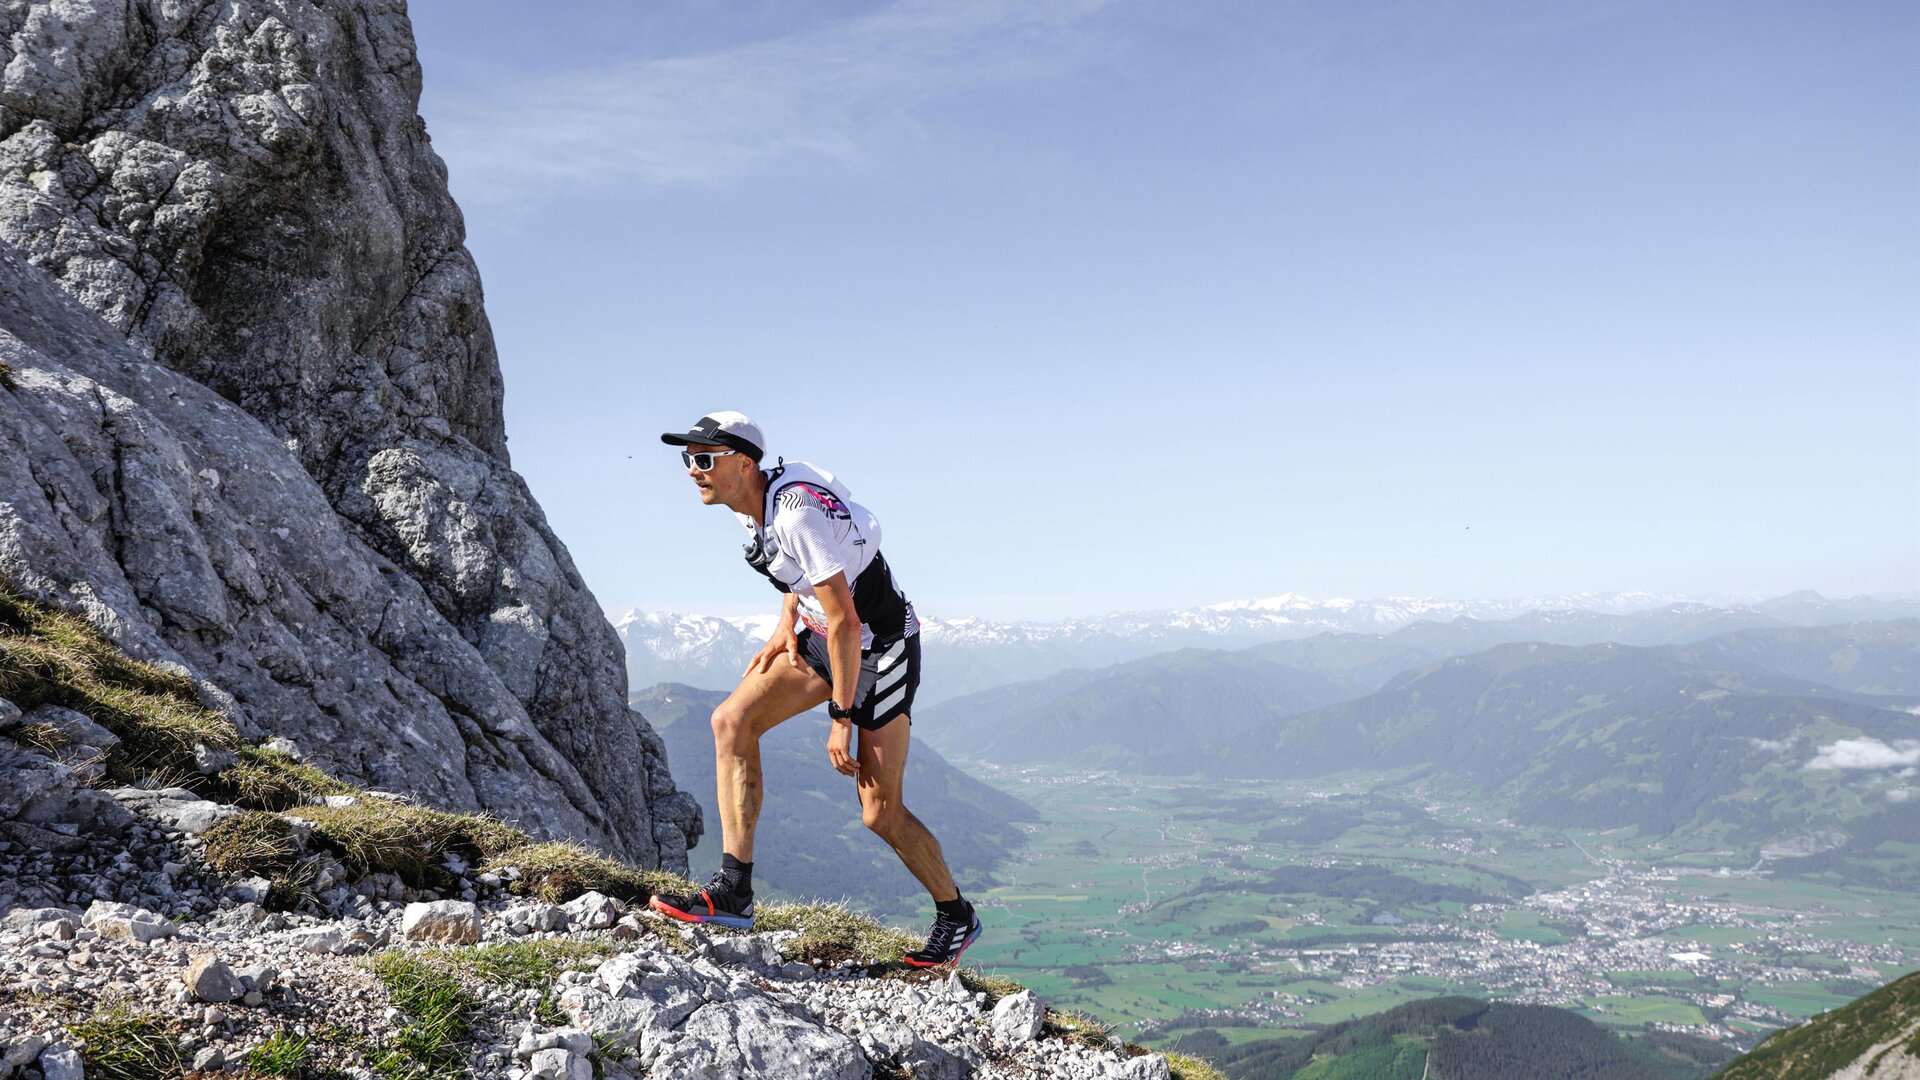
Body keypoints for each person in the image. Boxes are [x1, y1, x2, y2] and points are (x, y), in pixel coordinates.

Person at [649, 411, 982, 968]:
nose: (692, 471)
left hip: (879, 645)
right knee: (731, 721)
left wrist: (840, 716)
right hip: (821, 633)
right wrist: (785, 623)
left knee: (879, 812)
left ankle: (956, 914)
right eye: (688, 460)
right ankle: (734, 892)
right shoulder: (750, 507)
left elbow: (848, 621)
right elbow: (797, 575)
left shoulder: (796, 512)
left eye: (704, 459)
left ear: (744, 463)